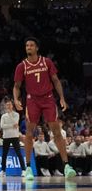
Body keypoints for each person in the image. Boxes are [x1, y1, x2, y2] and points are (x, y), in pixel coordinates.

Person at [13, 37, 75, 180]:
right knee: (29, 132)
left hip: (48, 98)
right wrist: (16, 99)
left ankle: (66, 165)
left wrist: (62, 98)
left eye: (31, 45)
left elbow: (55, 80)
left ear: (37, 48)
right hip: (32, 100)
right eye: (26, 45)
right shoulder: (21, 66)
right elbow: (16, 86)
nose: (28, 47)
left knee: (56, 131)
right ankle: (28, 167)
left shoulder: (46, 62)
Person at [0, 99, 25, 177]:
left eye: (10, 105)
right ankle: (3, 171)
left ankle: (23, 170)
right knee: (4, 154)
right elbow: (2, 126)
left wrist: (10, 119)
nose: (8, 106)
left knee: (19, 153)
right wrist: (11, 125)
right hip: (6, 137)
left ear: (12, 106)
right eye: (7, 105)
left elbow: (15, 123)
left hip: (15, 136)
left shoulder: (16, 114)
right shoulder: (3, 116)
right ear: (5, 106)